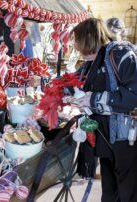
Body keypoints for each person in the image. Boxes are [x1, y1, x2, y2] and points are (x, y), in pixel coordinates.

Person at [72, 18, 137, 202]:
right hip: (105, 137)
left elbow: (133, 95)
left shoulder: (120, 54)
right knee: (109, 190)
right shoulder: (90, 63)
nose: (75, 46)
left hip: (126, 138)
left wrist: (93, 99)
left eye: (77, 40)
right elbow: (75, 82)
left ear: (89, 38)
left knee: (128, 190)